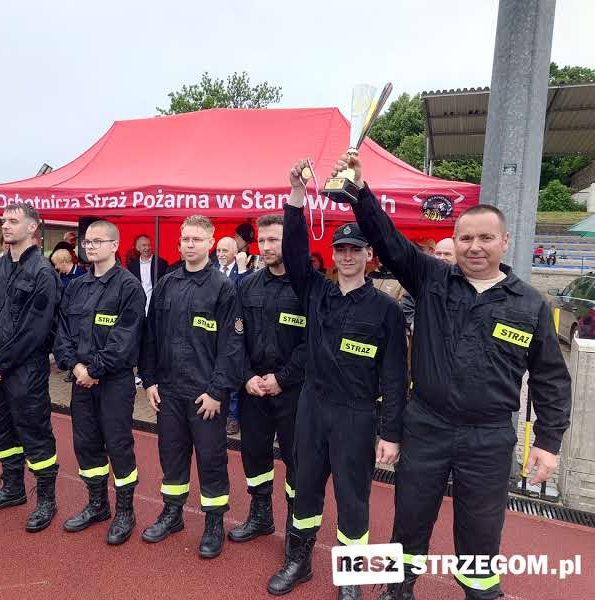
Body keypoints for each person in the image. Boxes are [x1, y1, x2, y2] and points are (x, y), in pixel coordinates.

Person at [331, 152, 572, 600]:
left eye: (485, 238)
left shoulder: (530, 303)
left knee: (481, 529)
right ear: (454, 242)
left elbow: (551, 378)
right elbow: (388, 241)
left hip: (489, 437)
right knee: (411, 519)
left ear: (505, 241)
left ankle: (480, 592)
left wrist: (548, 442)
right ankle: (398, 589)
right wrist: (360, 193)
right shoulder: (432, 279)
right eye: (465, 238)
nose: (474, 246)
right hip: (427, 427)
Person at [267, 164, 407, 600]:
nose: (346, 255)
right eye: (340, 249)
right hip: (313, 406)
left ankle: (349, 580)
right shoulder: (316, 291)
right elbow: (292, 252)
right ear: (333, 255)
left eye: (355, 249)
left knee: (353, 501)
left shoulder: (386, 310)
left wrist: (390, 432)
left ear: (369, 255)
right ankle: (299, 561)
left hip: (357, 415)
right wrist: (295, 195)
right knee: (304, 488)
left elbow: (395, 376)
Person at [138, 215, 244, 559]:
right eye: (185, 239)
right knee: (171, 456)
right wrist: (149, 380)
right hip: (168, 391)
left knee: (211, 460)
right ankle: (173, 514)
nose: (190, 244)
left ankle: (214, 523)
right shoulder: (167, 284)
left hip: (205, 396)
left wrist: (216, 392)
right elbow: (150, 337)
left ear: (211, 243)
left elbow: (232, 345)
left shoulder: (223, 288)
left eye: (197, 239)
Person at [0, 203, 61, 533]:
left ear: (33, 228)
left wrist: (1, 364)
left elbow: (36, 330)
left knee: (35, 434)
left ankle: (47, 499)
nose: (5, 226)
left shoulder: (43, 273)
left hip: (25, 370)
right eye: (4, 220)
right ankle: (12, 488)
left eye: (13, 221)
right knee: (1, 431)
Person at [54, 220, 146, 545]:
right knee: (86, 444)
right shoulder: (77, 286)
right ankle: (97, 505)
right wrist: (76, 366)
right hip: (81, 380)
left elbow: (125, 339)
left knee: (118, 445)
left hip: (113, 382)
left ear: (114, 245)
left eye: (97, 241)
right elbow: (62, 331)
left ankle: (125, 511)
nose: (90, 246)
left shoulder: (129, 287)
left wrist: (94, 370)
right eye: (87, 242)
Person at [228, 213, 305, 556]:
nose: (268, 246)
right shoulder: (246, 285)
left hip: (293, 392)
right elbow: (235, 337)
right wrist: (246, 377)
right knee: (254, 455)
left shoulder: (308, 286)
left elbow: (313, 342)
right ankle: (261, 516)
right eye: (264, 240)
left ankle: (294, 524)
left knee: (296, 460)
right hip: (254, 391)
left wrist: (283, 378)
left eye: (275, 239)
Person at [215, 236, 248, 434]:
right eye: (218, 250)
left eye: (225, 251)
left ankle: (234, 417)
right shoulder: (211, 270)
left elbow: (245, 294)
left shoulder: (244, 272)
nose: (220, 255)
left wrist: (243, 270)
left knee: (234, 375)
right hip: (215, 332)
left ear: (235, 253)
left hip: (234, 331)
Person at [127, 234, 168, 314]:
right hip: (138, 307)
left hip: (156, 307)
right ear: (137, 248)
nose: (147, 248)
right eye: (144, 245)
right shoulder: (132, 266)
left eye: (149, 245)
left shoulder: (161, 263)